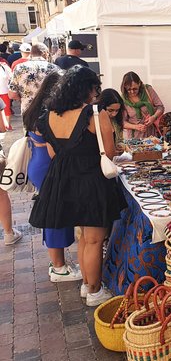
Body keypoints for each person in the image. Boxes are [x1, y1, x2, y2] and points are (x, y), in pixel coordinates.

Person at [29, 65, 127, 306]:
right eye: (95, 89)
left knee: (85, 237)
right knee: (94, 239)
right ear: (87, 89)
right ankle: (94, 291)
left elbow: (53, 152)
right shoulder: (94, 113)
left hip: (63, 180)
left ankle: (87, 284)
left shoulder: (50, 114)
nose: (96, 94)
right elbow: (110, 151)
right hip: (90, 179)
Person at [23, 71, 83, 282]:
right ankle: (59, 267)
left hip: (38, 165)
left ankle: (57, 262)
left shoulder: (33, 110)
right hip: (49, 167)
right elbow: (55, 150)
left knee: (52, 213)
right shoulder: (48, 113)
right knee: (57, 215)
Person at [8, 42, 59, 114]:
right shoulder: (54, 68)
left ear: (31, 53)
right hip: (48, 111)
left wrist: (23, 99)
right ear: (45, 53)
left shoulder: (19, 68)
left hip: (28, 110)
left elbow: (12, 94)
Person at [120, 72, 164, 139]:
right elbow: (121, 121)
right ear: (125, 87)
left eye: (135, 89)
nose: (132, 92)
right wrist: (136, 127)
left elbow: (160, 107)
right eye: (129, 89)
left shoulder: (148, 90)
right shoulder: (123, 99)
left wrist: (154, 117)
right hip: (134, 139)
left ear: (139, 84)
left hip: (152, 135)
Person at [0, 58, 11, 130]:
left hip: (4, 91)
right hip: (4, 91)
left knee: (6, 109)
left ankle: (7, 125)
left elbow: (11, 78)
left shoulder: (5, 66)